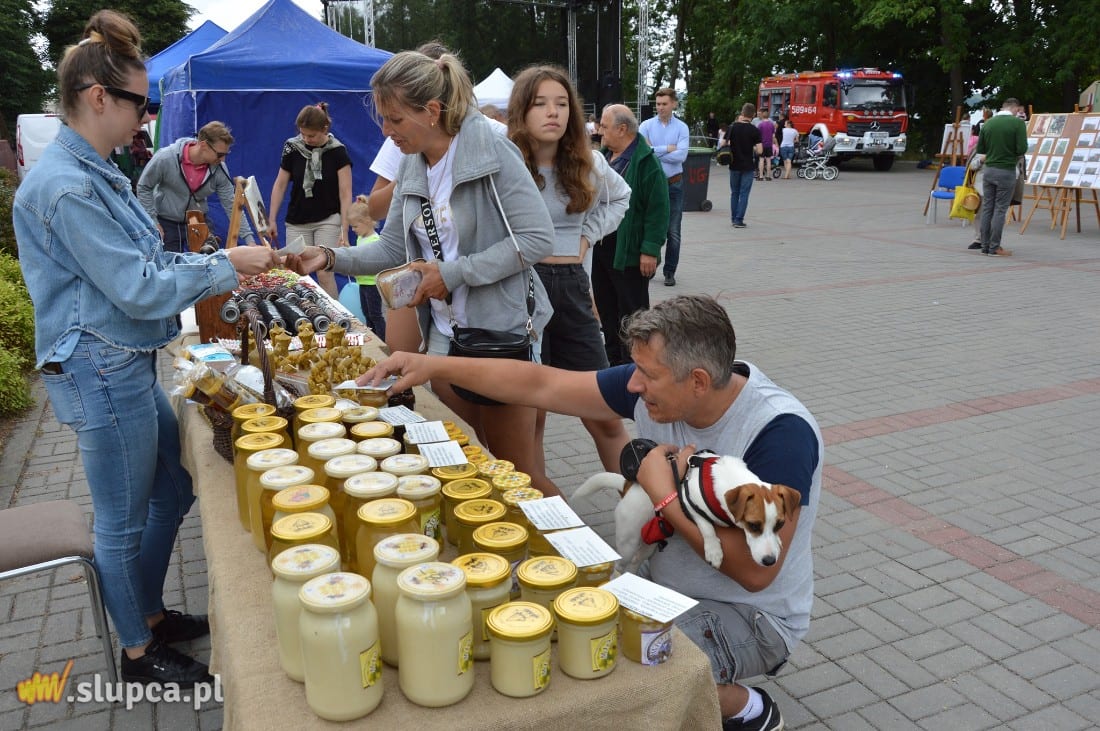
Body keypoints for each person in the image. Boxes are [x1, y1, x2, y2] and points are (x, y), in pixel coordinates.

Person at [357, 294, 822, 731]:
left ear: (698, 380)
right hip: (665, 586)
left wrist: (664, 498)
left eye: (646, 374)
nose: (633, 385)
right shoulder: (667, 383)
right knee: (569, 631)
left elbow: (755, 573)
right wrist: (428, 364)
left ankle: (747, 708)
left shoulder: (780, 434)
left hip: (752, 617)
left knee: (617, 660)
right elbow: (541, 383)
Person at [12, 10, 282, 687]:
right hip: (101, 370)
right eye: (141, 103)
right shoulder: (69, 184)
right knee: (121, 520)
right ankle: (136, 650)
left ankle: (150, 612)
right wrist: (227, 265)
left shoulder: (95, 169)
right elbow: (135, 282)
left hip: (122, 362)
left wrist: (211, 262)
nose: (147, 117)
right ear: (98, 97)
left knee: (174, 483)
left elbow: (146, 259)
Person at [288, 50, 558, 494]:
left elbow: (535, 239)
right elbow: (393, 247)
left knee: (522, 479)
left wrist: (451, 274)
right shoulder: (413, 162)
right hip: (445, 339)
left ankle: (581, 560)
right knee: (473, 466)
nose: (385, 131)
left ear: (432, 112)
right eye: (383, 118)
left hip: (500, 335)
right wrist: (330, 257)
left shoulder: (491, 150)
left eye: (394, 119)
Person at [507, 64, 631, 474]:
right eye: (540, 103)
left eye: (561, 104)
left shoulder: (589, 162)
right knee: (531, 416)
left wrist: (585, 238)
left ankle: (646, 509)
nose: (552, 112)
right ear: (522, 111)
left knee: (604, 413)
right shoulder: (506, 164)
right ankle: (538, 510)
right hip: (521, 290)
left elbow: (621, 198)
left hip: (573, 287)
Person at [595, 104, 669, 365]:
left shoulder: (646, 162)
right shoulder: (603, 157)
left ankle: (637, 363)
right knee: (606, 308)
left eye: (604, 126)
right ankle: (613, 362)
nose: (599, 131)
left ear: (622, 129)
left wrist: (650, 249)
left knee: (632, 312)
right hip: (602, 247)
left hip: (630, 251)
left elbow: (658, 209)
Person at [268, 102, 352, 298]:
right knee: (295, 272)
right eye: (303, 134)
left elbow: (346, 192)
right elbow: (280, 184)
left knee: (324, 272)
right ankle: (300, 318)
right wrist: (271, 219)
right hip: (297, 221)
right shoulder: (292, 147)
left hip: (328, 219)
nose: (306, 139)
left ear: (324, 129)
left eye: (311, 136)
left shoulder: (338, 151)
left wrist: (344, 231)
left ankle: (334, 319)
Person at [137, 121, 256, 252]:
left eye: (225, 155)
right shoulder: (165, 158)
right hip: (167, 222)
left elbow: (232, 204)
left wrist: (249, 239)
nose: (223, 160)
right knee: (169, 266)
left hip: (199, 221)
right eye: (220, 154)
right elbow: (144, 187)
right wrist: (153, 222)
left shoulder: (219, 168)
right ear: (204, 145)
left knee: (211, 264)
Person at [639, 88, 689, 288]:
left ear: (674, 104)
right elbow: (642, 152)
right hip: (651, 184)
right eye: (658, 104)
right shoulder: (646, 125)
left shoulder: (682, 128)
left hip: (673, 183)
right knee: (648, 227)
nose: (660, 107)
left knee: (673, 231)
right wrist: (668, 148)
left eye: (664, 104)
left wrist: (654, 149)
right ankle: (648, 267)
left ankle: (670, 272)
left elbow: (681, 156)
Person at [970, 97, 1027, 257]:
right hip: (1006, 170)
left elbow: (981, 148)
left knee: (987, 207)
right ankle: (995, 247)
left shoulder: (988, 123)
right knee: (1000, 210)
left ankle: (984, 246)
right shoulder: (1018, 124)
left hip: (988, 171)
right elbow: (1021, 148)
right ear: (1015, 109)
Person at [346, 194, 386, 338]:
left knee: (376, 315)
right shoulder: (360, 238)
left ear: (367, 221)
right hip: (362, 283)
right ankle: (373, 336)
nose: (353, 230)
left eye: (355, 226)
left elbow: (375, 262)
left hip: (372, 284)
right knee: (366, 313)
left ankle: (382, 339)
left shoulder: (375, 240)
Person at [727, 103, 762, 229]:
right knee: (744, 193)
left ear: (742, 113)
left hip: (733, 164)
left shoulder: (732, 127)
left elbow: (724, 143)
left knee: (734, 193)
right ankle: (739, 220)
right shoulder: (755, 130)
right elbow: (760, 150)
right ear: (753, 115)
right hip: (748, 165)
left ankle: (733, 218)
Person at [756, 115, 777, 181]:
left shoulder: (760, 125)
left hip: (762, 144)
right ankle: (768, 176)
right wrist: (774, 143)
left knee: (761, 160)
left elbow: (757, 135)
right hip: (769, 145)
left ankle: (761, 176)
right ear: (768, 117)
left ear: (762, 117)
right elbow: (773, 135)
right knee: (768, 160)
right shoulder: (772, 125)